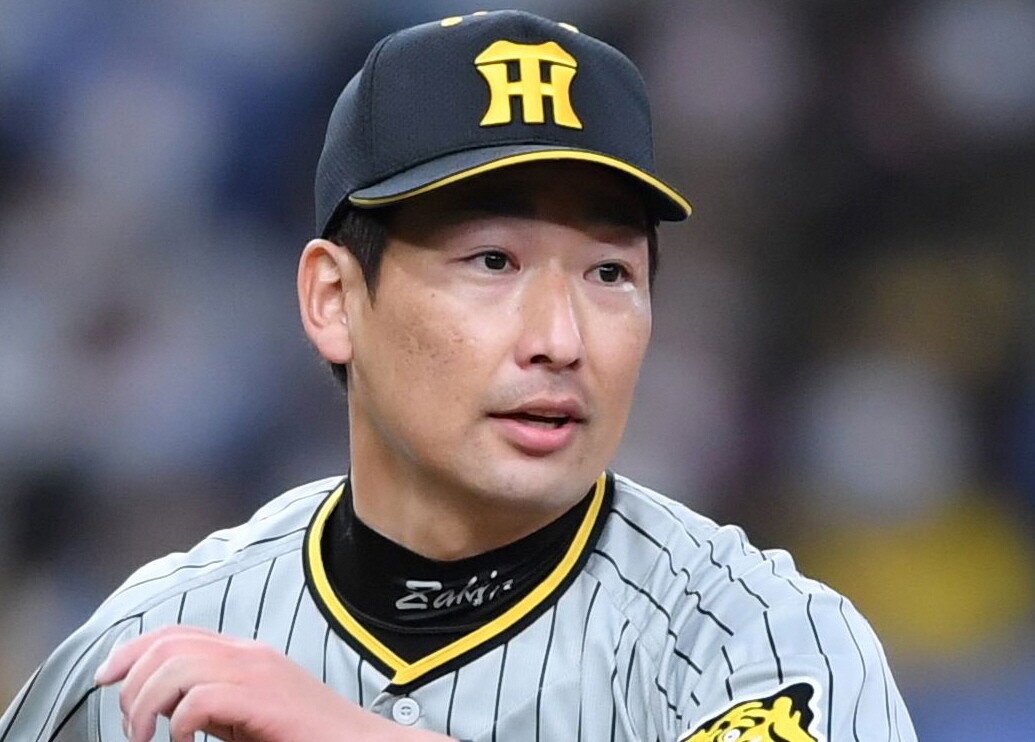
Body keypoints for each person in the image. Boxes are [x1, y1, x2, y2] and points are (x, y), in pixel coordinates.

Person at [0, 10, 916, 742]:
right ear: (332, 300)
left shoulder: (758, 641)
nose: (560, 339)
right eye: (490, 261)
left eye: (609, 273)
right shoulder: (149, 653)